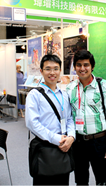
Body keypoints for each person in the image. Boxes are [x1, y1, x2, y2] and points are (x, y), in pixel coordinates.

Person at [66, 50, 106, 186]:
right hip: (78, 142)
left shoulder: (102, 86)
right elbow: (68, 117)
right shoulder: (70, 88)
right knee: (81, 181)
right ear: (74, 67)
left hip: (99, 141)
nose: (82, 68)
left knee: (102, 180)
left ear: (92, 66)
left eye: (86, 65)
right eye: (79, 65)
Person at [25, 54, 75, 186]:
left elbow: (69, 118)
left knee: (63, 182)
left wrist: (71, 136)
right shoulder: (34, 95)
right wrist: (56, 139)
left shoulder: (64, 94)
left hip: (64, 147)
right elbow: (32, 123)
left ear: (60, 71)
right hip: (45, 148)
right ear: (41, 71)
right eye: (48, 69)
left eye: (56, 69)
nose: (52, 73)